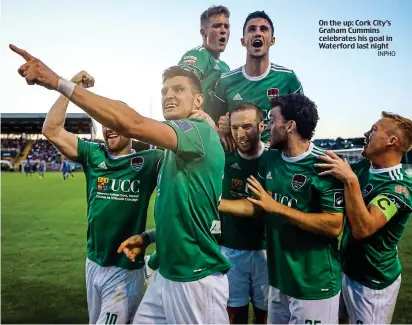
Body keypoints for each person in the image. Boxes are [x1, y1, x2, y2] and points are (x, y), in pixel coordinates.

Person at [11, 44, 231, 324]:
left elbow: (132, 124)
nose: (168, 96)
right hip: (163, 271)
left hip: (194, 277)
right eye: (164, 91)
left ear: (199, 101)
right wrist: (149, 237)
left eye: (178, 90)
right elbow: (179, 212)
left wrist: (59, 82)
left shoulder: (192, 136)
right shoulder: (166, 152)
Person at [41, 70, 163, 324]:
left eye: (116, 121)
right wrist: (69, 86)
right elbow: (51, 130)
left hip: (125, 268)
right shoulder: (93, 154)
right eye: (105, 122)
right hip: (93, 263)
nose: (109, 128)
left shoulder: (151, 160)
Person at [219, 94, 345, 324]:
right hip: (279, 280)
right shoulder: (272, 159)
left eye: (271, 120)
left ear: (289, 126)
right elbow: (256, 199)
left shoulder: (324, 165)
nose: (267, 126)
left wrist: (276, 208)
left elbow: (335, 226)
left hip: (313, 283)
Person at [315, 112, 412, 324]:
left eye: (374, 130)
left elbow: (363, 229)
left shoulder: (399, 186)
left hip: (373, 283)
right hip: (346, 269)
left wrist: (350, 179)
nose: (366, 133)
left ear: (391, 141)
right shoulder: (362, 168)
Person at [212, 11, 303, 143]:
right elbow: (213, 121)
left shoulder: (288, 78)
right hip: (238, 160)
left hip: (275, 159)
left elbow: (303, 123)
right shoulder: (226, 81)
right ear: (243, 41)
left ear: (272, 40)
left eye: (264, 29)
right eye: (251, 29)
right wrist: (221, 129)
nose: (258, 33)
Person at [219, 102, 269, 324]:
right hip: (231, 249)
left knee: (266, 315)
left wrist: (214, 203)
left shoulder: (275, 159)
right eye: (235, 127)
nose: (241, 134)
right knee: (233, 315)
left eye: (247, 126)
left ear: (261, 126)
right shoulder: (223, 158)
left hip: (267, 251)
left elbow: (259, 209)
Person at [179, 5, 230, 116]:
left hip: (215, 128)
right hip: (196, 125)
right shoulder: (197, 55)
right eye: (217, 26)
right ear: (203, 32)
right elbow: (181, 90)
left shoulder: (225, 67)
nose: (223, 31)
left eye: (226, 26)